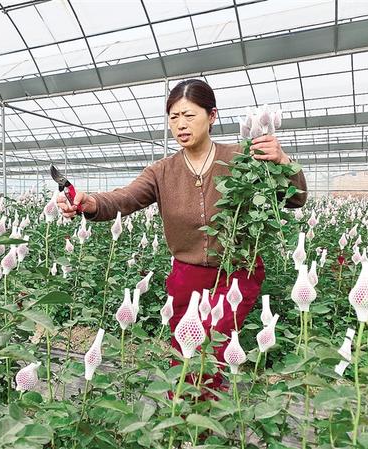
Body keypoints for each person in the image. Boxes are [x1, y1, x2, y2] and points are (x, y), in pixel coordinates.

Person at [57, 79, 307, 396]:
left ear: (212, 116)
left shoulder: (242, 159)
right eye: (174, 117)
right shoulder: (162, 171)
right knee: (184, 353)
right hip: (186, 277)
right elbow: (125, 198)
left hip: (235, 273)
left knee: (210, 350)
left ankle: (194, 417)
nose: (181, 125)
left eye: (189, 115)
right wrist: (90, 203)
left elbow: (295, 198)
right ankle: (186, 416)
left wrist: (283, 162)